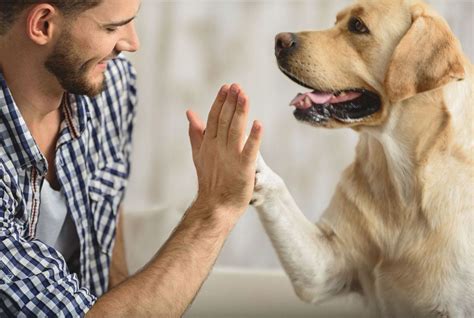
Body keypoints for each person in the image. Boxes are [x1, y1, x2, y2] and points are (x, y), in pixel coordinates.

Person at [0, 0, 262, 316]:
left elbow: (107, 220)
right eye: (111, 27)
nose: (132, 43)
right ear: (42, 25)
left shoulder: (110, 84)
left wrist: (119, 285)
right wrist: (217, 208)